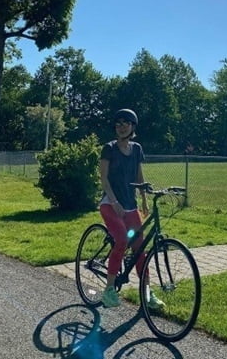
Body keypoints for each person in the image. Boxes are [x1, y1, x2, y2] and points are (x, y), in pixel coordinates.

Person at [99, 108, 164, 309]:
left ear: (133, 126)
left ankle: (146, 293)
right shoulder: (109, 148)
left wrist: (144, 199)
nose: (121, 127)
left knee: (139, 249)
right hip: (110, 204)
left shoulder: (136, 149)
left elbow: (139, 176)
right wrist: (115, 202)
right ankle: (108, 291)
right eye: (118, 124)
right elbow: (104, 179)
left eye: (125, 123)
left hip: (130, 205)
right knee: (121, 240)